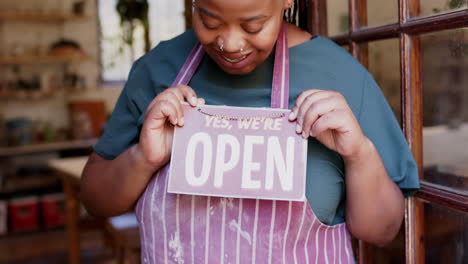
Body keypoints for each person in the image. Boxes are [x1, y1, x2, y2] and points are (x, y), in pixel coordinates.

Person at [81, 0, 420, 263]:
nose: (230, 44)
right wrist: (144, 157)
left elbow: (382, 231)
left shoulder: (341, 75)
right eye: (209, 20)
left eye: (253, 24)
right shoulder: (158, 70)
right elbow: (95, 199)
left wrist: (359, 153)